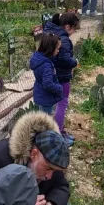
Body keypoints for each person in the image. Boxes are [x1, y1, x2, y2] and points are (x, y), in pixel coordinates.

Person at [43, 13, 80, 145]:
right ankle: (58, 134)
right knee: (62, 103)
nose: (75, 31)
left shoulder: (53, 33)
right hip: (61, 75)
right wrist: (74, 62)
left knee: (57, 104)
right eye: (74, 28)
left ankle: (59, 131)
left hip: (54, 74)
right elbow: (63, 59)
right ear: (67, 26)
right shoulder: (63, 39)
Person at [31, 34, 62, 115]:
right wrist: (59, 88)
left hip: (40, 95)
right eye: (57, 49)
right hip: (46, 98)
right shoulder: (46, 65)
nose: (58, 51)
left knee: (43, 121)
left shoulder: (39, 59)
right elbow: (47, 84)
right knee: (46, 124)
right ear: (51, 49)